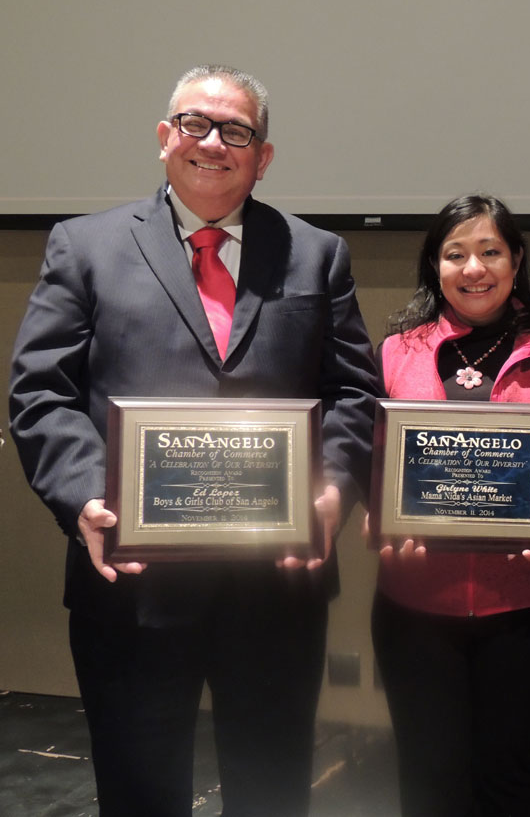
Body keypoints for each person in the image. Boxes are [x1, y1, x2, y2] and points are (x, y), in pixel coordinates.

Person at [8, 64, 380, 816]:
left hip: (276, 587)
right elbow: (40, 393)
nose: (213, 142)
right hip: (133, 585)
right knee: (139, 792)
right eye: (194, 124)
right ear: (164, 137)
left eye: (236, 131)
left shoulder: (316, 254)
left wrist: (334, 491)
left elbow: (355, 395)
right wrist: (85, 497)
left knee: (271, 791)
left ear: (263, 156)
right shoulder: (84, 247)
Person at [370, 194, 530, 817]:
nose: (475, 268)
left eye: (491, 251)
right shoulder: (394, 353)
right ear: (434, 266)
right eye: (456, 253)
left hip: (525, 610)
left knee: (513, 780)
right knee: (427, 780)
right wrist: (375, 511)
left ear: (516, 261)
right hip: (414, 610)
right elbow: (369, 459)